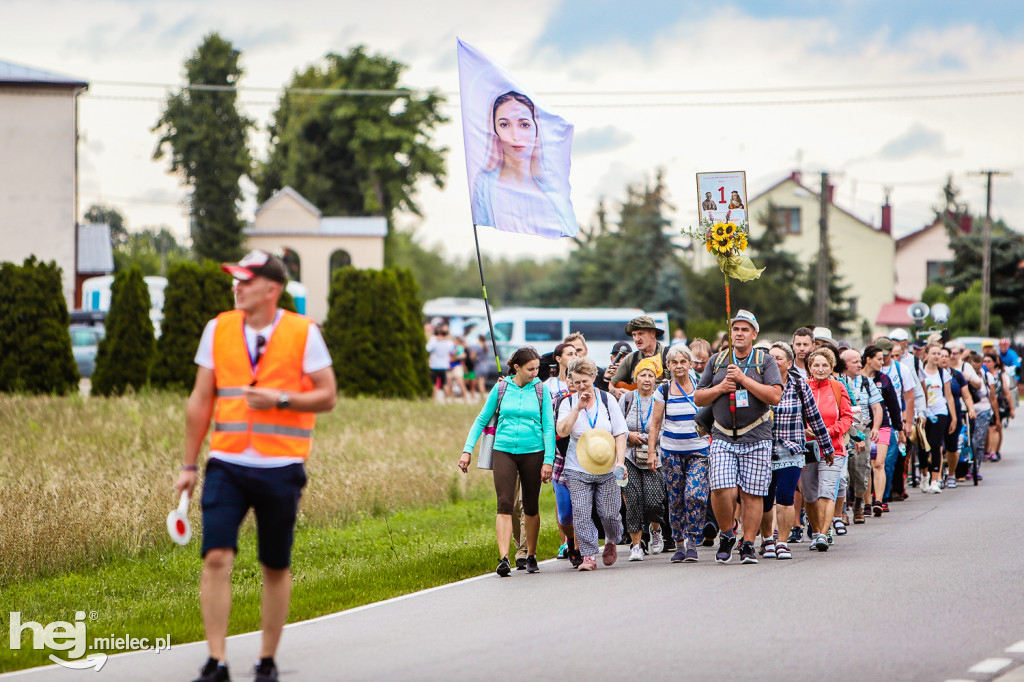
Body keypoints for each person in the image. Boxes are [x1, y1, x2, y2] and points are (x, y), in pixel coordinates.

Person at [178, 250, 337, 682]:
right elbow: (200, 400)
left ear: (272, 289)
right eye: (236, 279)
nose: (238, 287)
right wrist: (189, 465)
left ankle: (266, 660)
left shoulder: (304, 332)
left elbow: (328, 395)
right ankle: (217, 662)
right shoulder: (218, 328)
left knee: (274, 565)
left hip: (281, 467)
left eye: (246, 281)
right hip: (226, 463)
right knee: (215, 556)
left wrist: (281, 399)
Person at [694, 310, 783, 565]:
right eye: (736, 329)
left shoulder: (764, 361)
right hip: (722, 434)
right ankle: (727, 534)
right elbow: (699, 397)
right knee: (722, 488)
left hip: (756, 434)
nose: (739, 333)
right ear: (730, 334)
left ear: (754, 334)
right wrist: (721, 387)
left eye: (745, 329)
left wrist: (744, 379)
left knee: (753, 493)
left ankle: (747, 544)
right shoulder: (717, 360)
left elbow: (774, 396)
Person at [460, 347, 555, 577]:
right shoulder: (501, 388)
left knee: (530, 506)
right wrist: (467, 450)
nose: (535, 373)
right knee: (504, 504)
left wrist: (548, 461)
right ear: (517, 368)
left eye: (537, 369)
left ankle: (530, 554)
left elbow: (549, 427)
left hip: (534, 452)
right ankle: (503, 558)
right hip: (503, 450)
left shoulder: (541, 390)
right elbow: (481, 418)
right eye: (531, 369)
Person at [759, 342, 832, 560]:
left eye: (779, 358)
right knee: (764, 498)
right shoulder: (758, 385)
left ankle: (782, 541)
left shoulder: (799, 386)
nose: (773, 361)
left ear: (789, 363)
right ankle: (766, 540)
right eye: (770, 358)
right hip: (762, 450)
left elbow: (815, 418)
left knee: (785, 496)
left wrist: (826, 447)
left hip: (791, 450)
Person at [471, 91, 575, 238]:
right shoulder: (484, 184)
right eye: (504, 124)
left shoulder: (551, 190)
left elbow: (566, 226)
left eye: (524, 124)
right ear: (495, 131)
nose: (515, 136)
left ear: (536, 130)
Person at [556, 357, 628, 571]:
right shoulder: (567, 402)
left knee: (609, 513)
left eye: (584, 381)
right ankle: (588, 555)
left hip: (607, 465)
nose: (581, 386)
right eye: (576, 382)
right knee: (581, 511)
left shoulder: (607, 400)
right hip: (577, 466)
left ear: (593, 377)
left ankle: (611, 540)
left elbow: (620, 433)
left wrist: (621, 462)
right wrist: (577, 408)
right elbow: (562, 431)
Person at [647, 345, 711, 562]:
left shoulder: (702, 387)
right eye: (674, 362)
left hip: (699, 451)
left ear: (691, 364)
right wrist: (651, 453)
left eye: (683, 362)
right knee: (675, 500)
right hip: (671, 453)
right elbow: (655, 425)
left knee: (694, 494)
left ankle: (693, 538)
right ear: (668, 366)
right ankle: (679, 543)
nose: (679, 366)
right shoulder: (662, 391)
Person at [801, 347, 852, 551]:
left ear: (831, 367)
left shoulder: (838, 387)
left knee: (826, 492)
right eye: (816, 365)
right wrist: (804, 431)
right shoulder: (802, 387)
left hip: (834, 448)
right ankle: (815, 531)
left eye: (825, 365)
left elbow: (847, 418)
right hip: (807, 449)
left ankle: (823, 532)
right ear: (810, 368)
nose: (820, 369)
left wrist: (828, 432)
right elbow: (795, 416)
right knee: (810, 495)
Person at [618, 358, 667, 561]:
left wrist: (652, 441)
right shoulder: (627, 398)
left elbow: (665, 426)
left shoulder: (660, 398)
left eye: (650, 375)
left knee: (654, 501)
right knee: (633, 502)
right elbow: (617, 426)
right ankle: (636, 545)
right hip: (629, 455)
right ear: (635, 377)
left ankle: (655, 530)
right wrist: (629, 436)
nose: (646, 379)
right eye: (642, 375)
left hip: (654, 455)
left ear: (656, 378)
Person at [837, 349, 883, 525]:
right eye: (855, 362)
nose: (859, 365)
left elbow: (877, 407)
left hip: (861, 430)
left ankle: (858, 504)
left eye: (860, 361)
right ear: (844, 364)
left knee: (861, 470)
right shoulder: (838, 381)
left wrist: (875, 428)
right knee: (843, 473)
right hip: (843, 431)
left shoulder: (866, 382)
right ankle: (842, 511)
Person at [861, 344, 904, 514]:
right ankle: (866, 502)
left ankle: (880, 501)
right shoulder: (856, 379)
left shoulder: (884, 380)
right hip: (862, 427)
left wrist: (899, 429)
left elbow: (893, 405)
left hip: (883, 426)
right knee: (866, 465)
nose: (882, 362)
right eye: (879, 359)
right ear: (868, 360)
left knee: (878, 463)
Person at [879, 336, 917, 501]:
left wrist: (908, 422)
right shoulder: (872, 370)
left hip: (896, 420)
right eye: (881, 354)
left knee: (897, 457)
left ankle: (897, 489)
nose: (885, 358)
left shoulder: (902, 369)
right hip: (877, 421)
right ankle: (879, 493)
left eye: (888, 354)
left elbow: (909, 397)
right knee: (879, 460)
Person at [917, 342, 957, 492]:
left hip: (940, 411)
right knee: (922, 446)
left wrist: (953, 417)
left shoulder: (943, 373)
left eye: (938, 354)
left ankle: (935, 479)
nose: (936, 356)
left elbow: (949, 396)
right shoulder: (920, 372)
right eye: (933, 353)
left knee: (936, 444)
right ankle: (924, 475)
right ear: (926, 355)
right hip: (923, 412)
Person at [607, 316, 668, 398]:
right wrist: (614, 391)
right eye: (634, 335)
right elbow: (609, 384)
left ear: (653, 333)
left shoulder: (668, 355)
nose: (636, 339)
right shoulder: (631, 358)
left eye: (640, 334)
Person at [983, 352, 1016, 460]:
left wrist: (1011, 408)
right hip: (986, 404)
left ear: (995, 363)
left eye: (989, 361)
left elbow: (1007, 393)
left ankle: (994, 451)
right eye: (984, 361)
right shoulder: (982, 374)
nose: (986, 363)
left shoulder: (1001, 375)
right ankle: (987, 450)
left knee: (995, 427)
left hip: (999, 404)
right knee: (987, 429)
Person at [426, 326, 456, 403]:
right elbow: (452, 350)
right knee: (444, 384)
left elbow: (428, 349)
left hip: (435, 366)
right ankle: (446, 400)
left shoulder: (434, 341)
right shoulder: (447, 342)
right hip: (443, 366)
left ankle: (434, 399)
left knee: (434, 384)